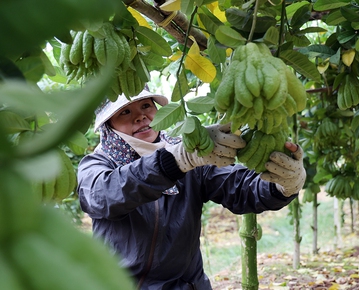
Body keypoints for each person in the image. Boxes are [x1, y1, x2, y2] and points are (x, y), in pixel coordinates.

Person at [77, 89, 306, 289]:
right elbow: (103, 196)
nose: (140, 116)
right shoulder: (98, 164)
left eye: (146, 105)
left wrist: (280, 186)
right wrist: (172, 162)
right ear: (109, 126)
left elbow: (239, 187)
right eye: (125, 112)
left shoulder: (188, 156)